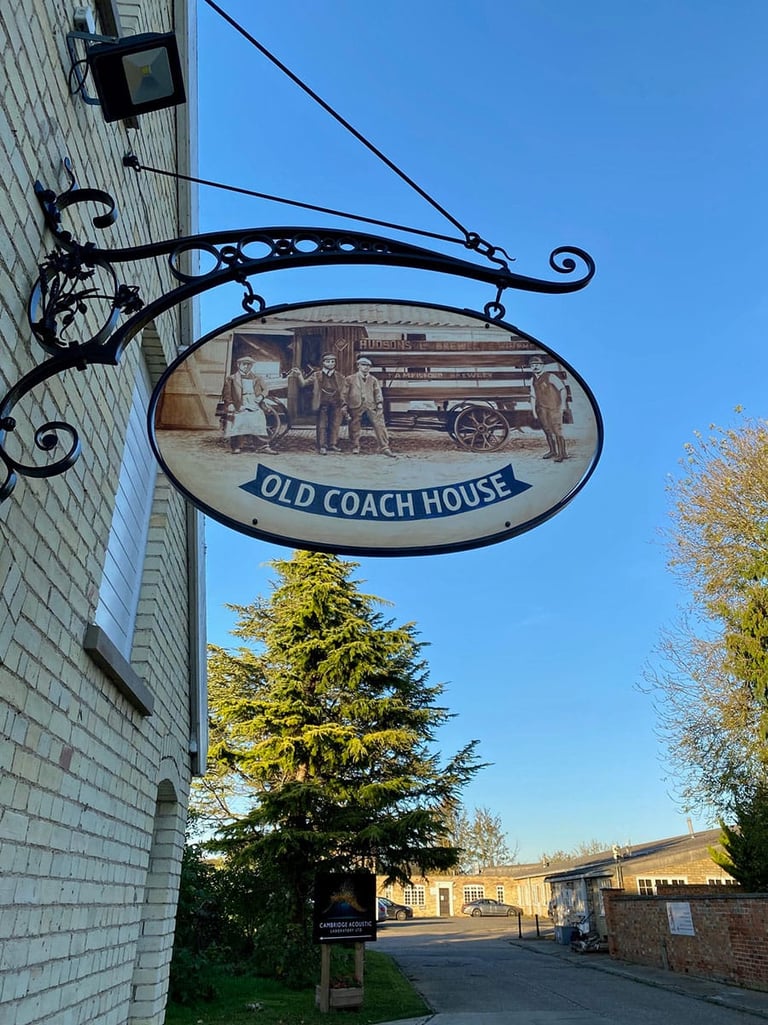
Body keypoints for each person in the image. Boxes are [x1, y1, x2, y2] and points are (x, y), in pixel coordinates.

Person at [290, 353, 346, 454]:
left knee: (335, 424)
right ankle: (322, 446)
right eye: (328, 362)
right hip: (322, 403)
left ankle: (332, 444)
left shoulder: (339, 376)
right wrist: (299, 375)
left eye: (333, 362)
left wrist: (343, 403)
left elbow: (344, 389)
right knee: (322, 425)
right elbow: (303, 384)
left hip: (336, 403)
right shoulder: (317, 375)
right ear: (323, 363)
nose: (331, 364)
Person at [220, 356, 277, 454]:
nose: (246, 366)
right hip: (239, 402)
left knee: (259, 418)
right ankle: (236, 446)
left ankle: (262, 446)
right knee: (237, 419)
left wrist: (261, 397)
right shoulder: (231, 378)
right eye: (244, 364)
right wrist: (230, 404)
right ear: (239, 365)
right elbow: (227, 393)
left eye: (249, 364)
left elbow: (265, 389)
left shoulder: (257, 378)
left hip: (254, 402)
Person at [343, 356, 395, 457]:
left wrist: (379, 403)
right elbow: (344, 393)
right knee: (354, 425)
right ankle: (355, 446)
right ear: (358, 366)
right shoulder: (350, 379)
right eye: (363, 365)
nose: (366, 367)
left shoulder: (373, 380)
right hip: (355, 405)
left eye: (368, 366)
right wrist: (344, 405)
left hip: (371, 405)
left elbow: (377, 392)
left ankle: (384, 447)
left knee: (379, 424)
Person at [528, 354, 568, 462]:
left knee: (557, 430)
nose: (535, 367)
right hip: (542, 409)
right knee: (547, 430)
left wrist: (563, 405)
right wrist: (534, 411)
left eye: (537, 364)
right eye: (532, 365)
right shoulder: (532, 380)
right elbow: (533, 396)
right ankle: (552, 451)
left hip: (554, 408)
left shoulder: (551, 377)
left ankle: (562, 453)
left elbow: (562, 389)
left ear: (542, 366)